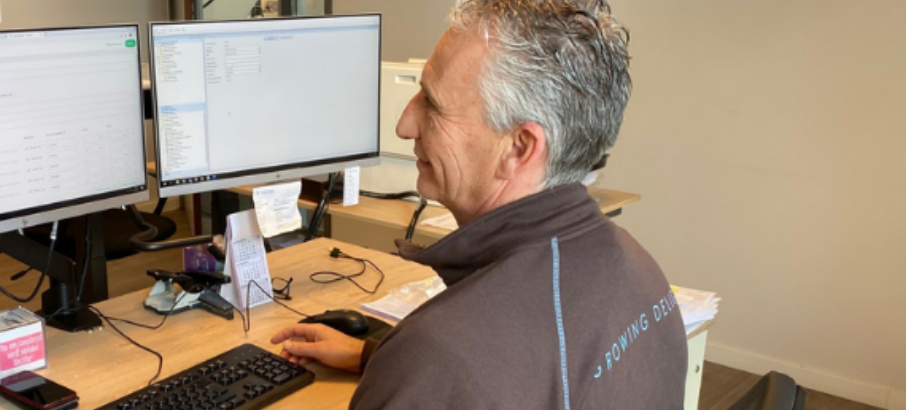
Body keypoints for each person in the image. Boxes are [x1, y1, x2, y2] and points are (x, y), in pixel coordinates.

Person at [270, 0, 689, 408]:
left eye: (432, 104)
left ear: (518, 148)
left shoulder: (438, 358)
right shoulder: (644, 274)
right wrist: (379, 358)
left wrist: (409, 372)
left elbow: (470, 372)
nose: (404, 125)